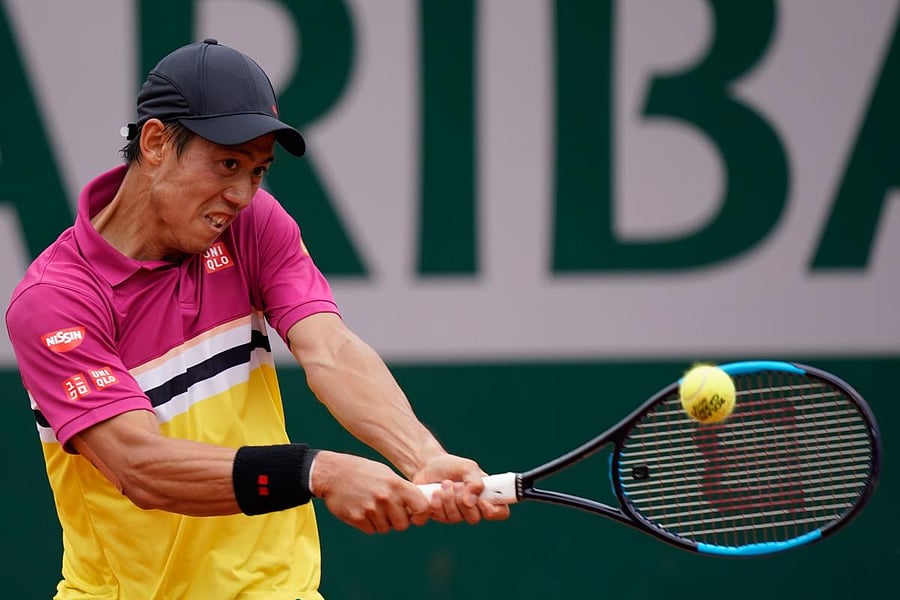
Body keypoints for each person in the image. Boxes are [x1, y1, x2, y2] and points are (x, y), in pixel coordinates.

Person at [5, 38, 508, 599]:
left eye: (258, 170)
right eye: (228, 164)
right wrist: (317, 471)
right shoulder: (56, 302)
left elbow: (330, 349)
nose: (243, 194)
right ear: (155, 143)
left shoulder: (252, 224)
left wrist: (422, 455)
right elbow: (139, 466)